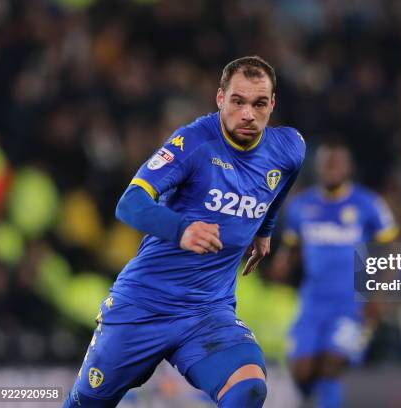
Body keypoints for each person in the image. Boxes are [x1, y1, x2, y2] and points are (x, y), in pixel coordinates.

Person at [63, 56, 305, 408]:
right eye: (238, 101)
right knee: (85, 404)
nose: (248, 114)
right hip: (144, 305)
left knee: (248, 389)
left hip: (208, 311)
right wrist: (181, 230)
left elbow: (282, 181)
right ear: (220, 98)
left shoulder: (289, 148)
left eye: (259, 103)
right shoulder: (193, 143)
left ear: (272, 105)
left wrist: (264, 229)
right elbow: (130, 203)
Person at [269, 142, 397, 408]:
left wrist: (379, 294)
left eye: (337, 162)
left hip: (350, 301)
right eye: (327, 163)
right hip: (312, 301)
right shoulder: (301, 206)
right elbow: (292, 247)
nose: (331, 168)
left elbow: (390, 250)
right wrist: (282, 263)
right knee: (302, 369)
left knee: (332, 362)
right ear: (318, 167)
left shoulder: (368, 204)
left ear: (348, 167)